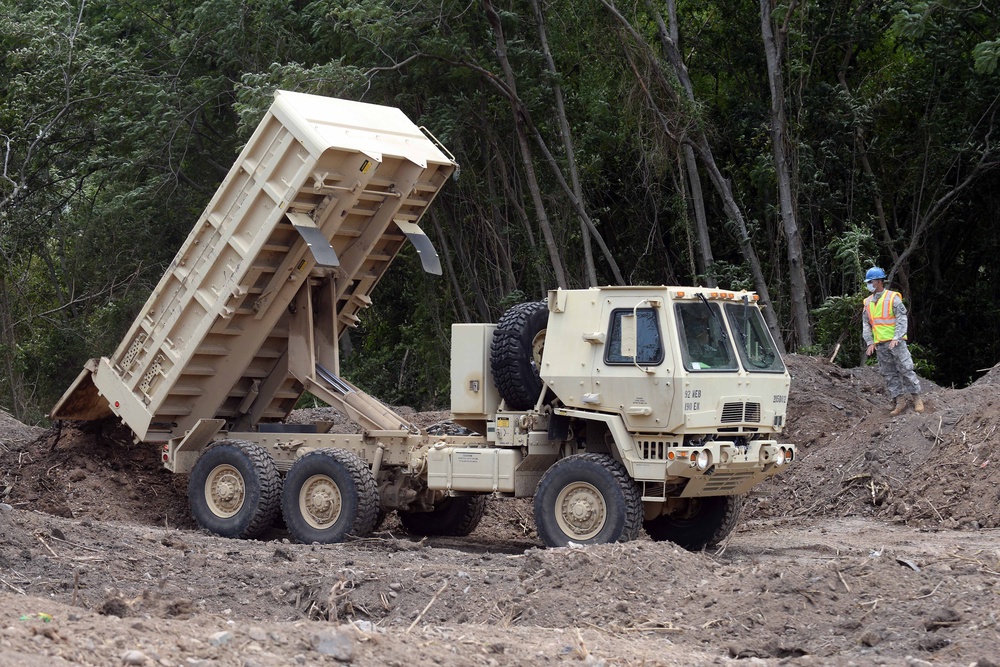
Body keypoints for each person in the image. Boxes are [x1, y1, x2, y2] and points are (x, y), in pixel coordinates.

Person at [862, 267, 924, 415]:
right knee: (889, 374)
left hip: (896, 342)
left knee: (906, 369)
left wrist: (897, 337)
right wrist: (870, 341)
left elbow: (902, 318)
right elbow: (866, 323)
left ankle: (916, 398)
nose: (869, 284)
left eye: (871, 281)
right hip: (881, 344)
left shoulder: (892, 298)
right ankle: (899, 401)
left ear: (878, 281)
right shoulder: (868, 302)